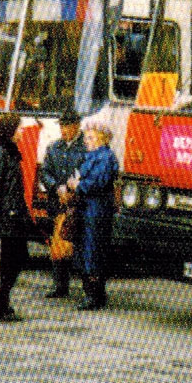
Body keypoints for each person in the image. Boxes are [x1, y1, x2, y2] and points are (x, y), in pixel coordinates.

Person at [66, 119, 119, 310]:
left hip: (96, 211)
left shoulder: (104, 157)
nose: (86, 141)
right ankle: (94, 293)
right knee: (89, 249)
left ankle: (93, 295)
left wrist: (77, 185)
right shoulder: (96, 156)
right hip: (90, 210)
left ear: (100, 139)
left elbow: (97, 183)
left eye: (90, 137)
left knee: (93, 250)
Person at [0, 113, 31, 322]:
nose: (22, 132)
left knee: (17, 260)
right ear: (10, 131)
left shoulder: (11, 154)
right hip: (5, 222)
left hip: (14, 219)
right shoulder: (0, 156)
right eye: (19, 128)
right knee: (7, 264)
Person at [38, 108, 86, 298]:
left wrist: (73, 190)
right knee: (57, 243)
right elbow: (45, 173)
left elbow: (87, 172)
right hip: (57, 203)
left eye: (67, 126)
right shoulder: (53, 147)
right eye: (62, 126)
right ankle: (60, 286)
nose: (63, 130)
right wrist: (56, 187)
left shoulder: (86, 147)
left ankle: (87, 288)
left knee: (80, 245)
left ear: (76, 126)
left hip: (78, 204)